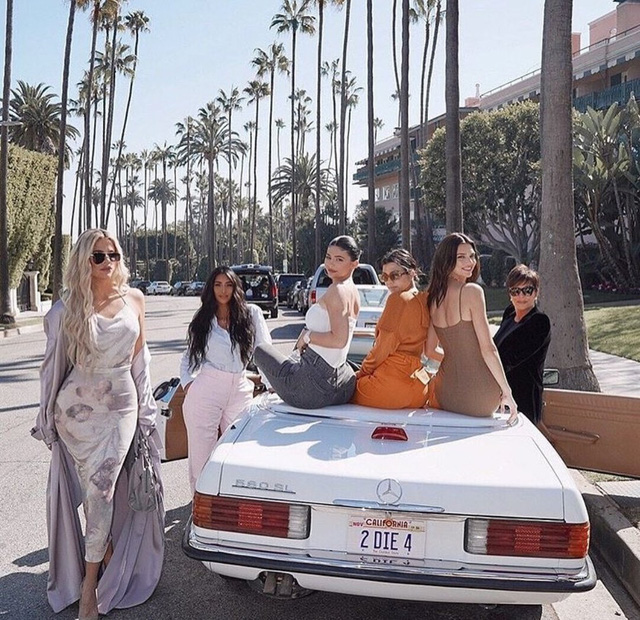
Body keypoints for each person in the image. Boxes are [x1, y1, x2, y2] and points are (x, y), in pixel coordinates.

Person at [32, 228, 164, 619]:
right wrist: (46, 417)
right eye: (98, 256)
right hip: (75, 413)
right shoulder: (65, 309)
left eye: (113, 255)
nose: (108, 262)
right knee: (96, 495)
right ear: (84, 261)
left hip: (121, 406)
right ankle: (98, 568)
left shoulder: (134, 299)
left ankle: (90, 586)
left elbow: (141, 363)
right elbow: (51, 368)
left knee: (103, 491)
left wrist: (147, 413)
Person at [180, 266, 271, 493]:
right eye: (218, 285)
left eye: (228, 285)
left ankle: (233, 500)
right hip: (207, 388)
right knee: (201, 455)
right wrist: (189, 385)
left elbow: (264, 351)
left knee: (240, 449)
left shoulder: (251, 314)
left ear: (236, 288)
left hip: (240, 386)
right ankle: (199, 502)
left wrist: (272, 386)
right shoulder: (203, 319)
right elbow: (188, 358)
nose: (223, 290)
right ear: (211, 288)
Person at [254, 235, 361, 409]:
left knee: (260, 350)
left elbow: (339, 340)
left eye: (339, 259)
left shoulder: (338, 290)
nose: (331, 264)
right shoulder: (353, 291)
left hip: (313, 388)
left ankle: (275, 387)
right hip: (341, 385)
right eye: (328, 257)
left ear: (354, 264)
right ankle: (279, 385)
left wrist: (308, 336)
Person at [424, 233, 518, 422]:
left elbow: (429, 350)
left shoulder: (432, 298)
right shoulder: (472, 292)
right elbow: (488, 349)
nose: (470, 262)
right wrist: (507, 391)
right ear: (447, 260)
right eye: (461, 257)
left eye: (472, 256)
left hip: (445, 393)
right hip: (480, 398)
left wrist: (459, 360)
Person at [351, 248, 435, 409]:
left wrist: (361, 373)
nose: (389, 282)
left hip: (390, 385)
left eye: (395, 275)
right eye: (384, 277)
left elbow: (383, 347)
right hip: (419, 389)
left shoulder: (398, 299)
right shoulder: (425, 300)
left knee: (339, 391)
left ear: (412, 272)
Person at [493, 264, 551, 424]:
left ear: (536, 292)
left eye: (527, 290)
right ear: (509, 294)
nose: (521, 296)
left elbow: (508, 360)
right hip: (498, 397)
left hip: (523, 402)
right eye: (515, 291)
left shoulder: (539, 322)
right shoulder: (509, 314)